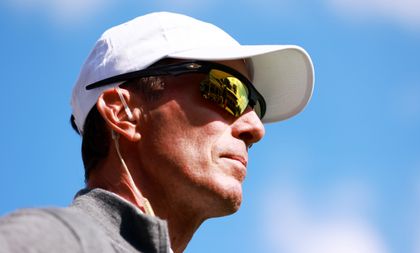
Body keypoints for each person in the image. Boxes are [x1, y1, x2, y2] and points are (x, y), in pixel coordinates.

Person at [0, 11, 314, 253]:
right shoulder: (56, 239)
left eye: (255, 105)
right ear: (124, 114)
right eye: (227, 90)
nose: (255, 128)